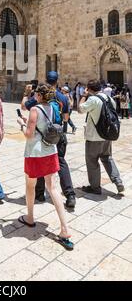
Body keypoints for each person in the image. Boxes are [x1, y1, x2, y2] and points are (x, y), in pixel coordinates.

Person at [17, 84, 74, 251]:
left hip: (35, 152)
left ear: (40, 96)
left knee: (30, 185)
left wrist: (22, 123)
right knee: (53, 188)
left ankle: (30, 217)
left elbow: (29, 135)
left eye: (36, 94)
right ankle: (65, 229)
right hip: (50, 151)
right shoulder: (52, 108)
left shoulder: (35, 109)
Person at [22, 72, 76, 208]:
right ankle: (70, 195)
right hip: (59, 135)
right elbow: (66, 118)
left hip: (43, 137)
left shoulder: (41, 96)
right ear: (57, 81)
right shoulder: (62, 97)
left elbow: (24, 106)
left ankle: (40, 194)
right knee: (61, 162)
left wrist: (26, 93)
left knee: (40, 160)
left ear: (46, 80)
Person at [78, 80, 124, 195]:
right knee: (107, 158)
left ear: (89, 89)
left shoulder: (93, 100)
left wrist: (84, 95)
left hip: (94, 137)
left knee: (92, 161)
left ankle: (95, 187)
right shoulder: (109, 98)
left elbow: (80, 109)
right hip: (107, 135)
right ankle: (117, 181)